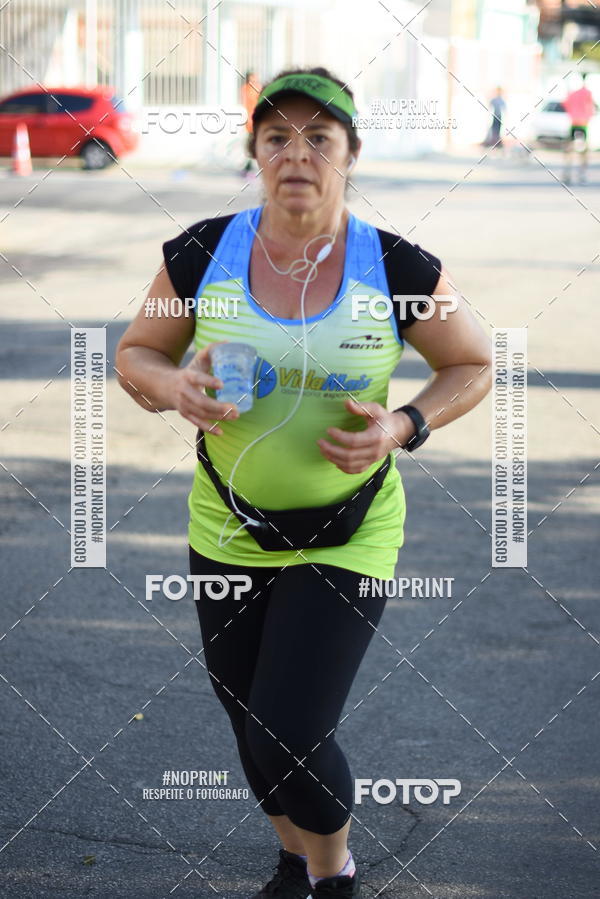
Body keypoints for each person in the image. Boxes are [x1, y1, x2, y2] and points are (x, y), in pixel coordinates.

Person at [115, 65, 492, 898]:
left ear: (350, 153)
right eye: (277, 136)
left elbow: (472, 363)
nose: (297, 153)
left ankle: (333, 874)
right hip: (228, 526)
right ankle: (293, 855)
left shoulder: (397, 268)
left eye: (319, 138)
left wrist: (402, 425)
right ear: (254, 152)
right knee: (249, 726)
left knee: (288, 727)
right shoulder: (203, 253)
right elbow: (136, 354)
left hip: (350, 531)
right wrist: (174, 385)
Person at [562, 72, 596, 184]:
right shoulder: (587, 93)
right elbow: (591, 107)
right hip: (583, 124)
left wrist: (572, 113)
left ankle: (567, 173)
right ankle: (582, 174)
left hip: (574, 122)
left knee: (570, 148)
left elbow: (565, 104)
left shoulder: (572, 93)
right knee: (584, 149)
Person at [241, 71, 263, 179]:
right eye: (252, 78)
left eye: (255, 78)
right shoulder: (246, 89)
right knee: (251, 145)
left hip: (256, 121)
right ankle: (248, 168)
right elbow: (247, 105)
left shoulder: (258, 88)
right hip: (250, 122)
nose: (254, 80)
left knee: (256, 145)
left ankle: (249, 167)